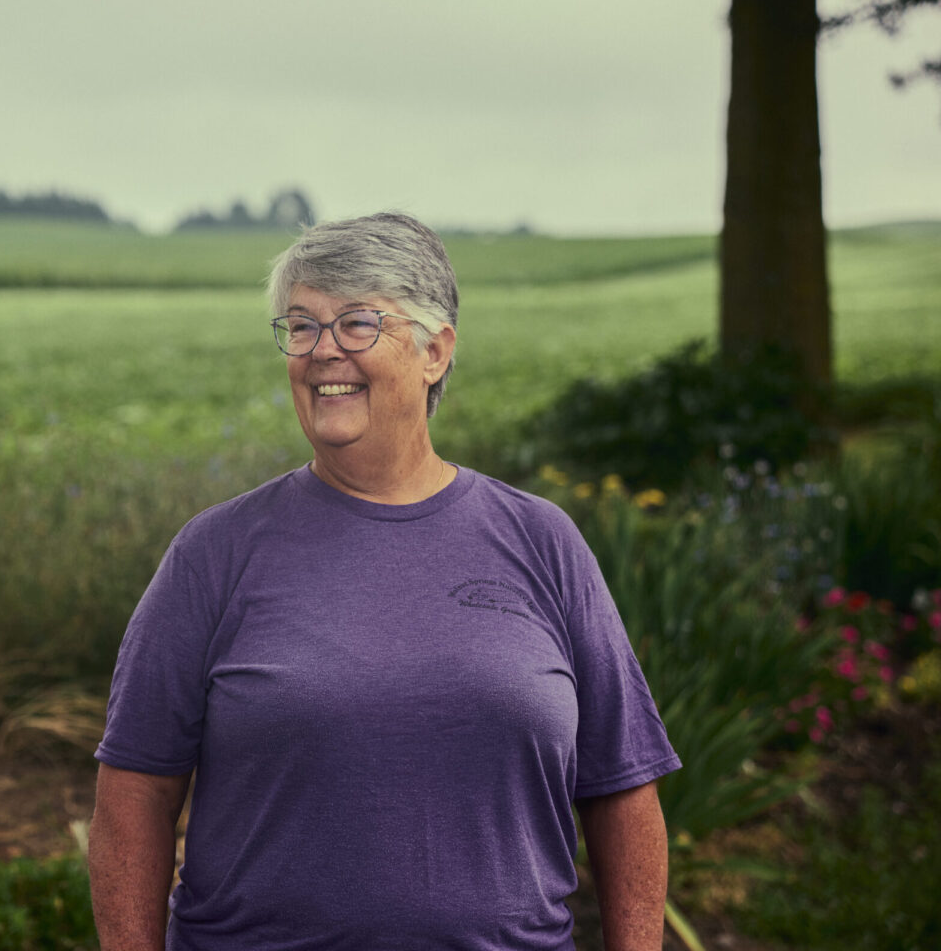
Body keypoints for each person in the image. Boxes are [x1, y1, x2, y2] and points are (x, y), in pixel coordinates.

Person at [88, 212, 680, 951]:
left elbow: (622, 786)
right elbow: (132, 799)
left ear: (436, 350)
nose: (322, 350)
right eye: (300, 326)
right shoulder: (214, 552)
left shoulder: (541, 541)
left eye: (357, 323)